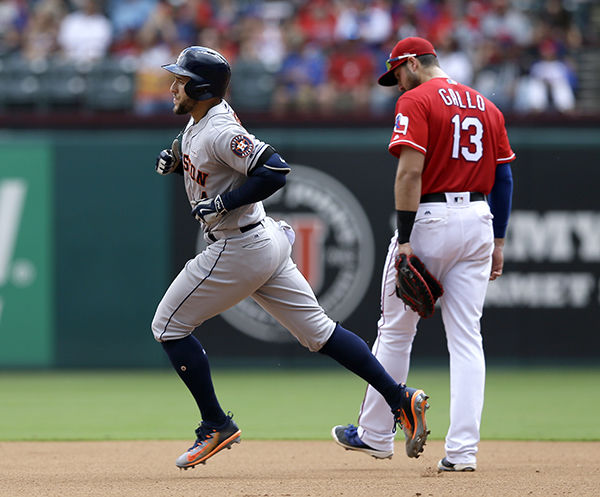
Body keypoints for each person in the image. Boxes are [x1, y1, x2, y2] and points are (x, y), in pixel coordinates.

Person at [151, 46, 430, 470]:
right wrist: (177, 160)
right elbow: (200, 149)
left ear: (202, 88)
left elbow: (275, 170)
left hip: (239, 245)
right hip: (263, 240)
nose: (173, 85)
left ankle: (215, 424)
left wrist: (223, 202)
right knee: (319, 331)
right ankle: (400, 399)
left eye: (181, 80)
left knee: (168, 326)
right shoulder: (201, 122)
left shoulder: (218, 130)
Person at [331, 37, 515, 472]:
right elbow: (504, 179)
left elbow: (410, 171)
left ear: (412, 63)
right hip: (478, 219)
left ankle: (375, 435)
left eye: (397, 74)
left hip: (430, 217)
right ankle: (463, 453)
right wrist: (500, 241)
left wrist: (407, 237)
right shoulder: (486, 106)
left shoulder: (417, 100)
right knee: (468, 338)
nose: (396, 84)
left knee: (395, 331)